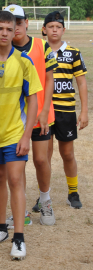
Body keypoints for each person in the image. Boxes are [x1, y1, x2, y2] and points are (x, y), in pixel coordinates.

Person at [0, 11, 42, 260]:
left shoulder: (24, 62)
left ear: (15, 32)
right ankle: (1, 228)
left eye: (8, 29)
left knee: (15, 179)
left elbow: (33, 101)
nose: (4, 33)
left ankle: (19, 238)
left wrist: (26, 136)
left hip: (15, 133)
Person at [4, 4, 58, 226]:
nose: (15, 27)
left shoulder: (41, 46)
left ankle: (45, 200)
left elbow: (49, 79)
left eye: (18, 21)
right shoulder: (4, 50)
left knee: (40, 159)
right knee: (18, 163)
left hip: (41, 115)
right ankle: (22, 210)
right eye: (10, 22)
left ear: (26, 23)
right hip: (16, 119)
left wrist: (45, 111)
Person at [43, 11, 88, 208]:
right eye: (51, 26)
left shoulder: (73, 53)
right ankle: (44, 196)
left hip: (66, 111)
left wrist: (84, 111)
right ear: (44, 29)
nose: (54, 30)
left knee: (67, 153)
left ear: (63, 29)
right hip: (45, 111)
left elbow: (81, 83)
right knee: (44, 155)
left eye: (58, 27)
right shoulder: (38, 51)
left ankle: (73, 192)